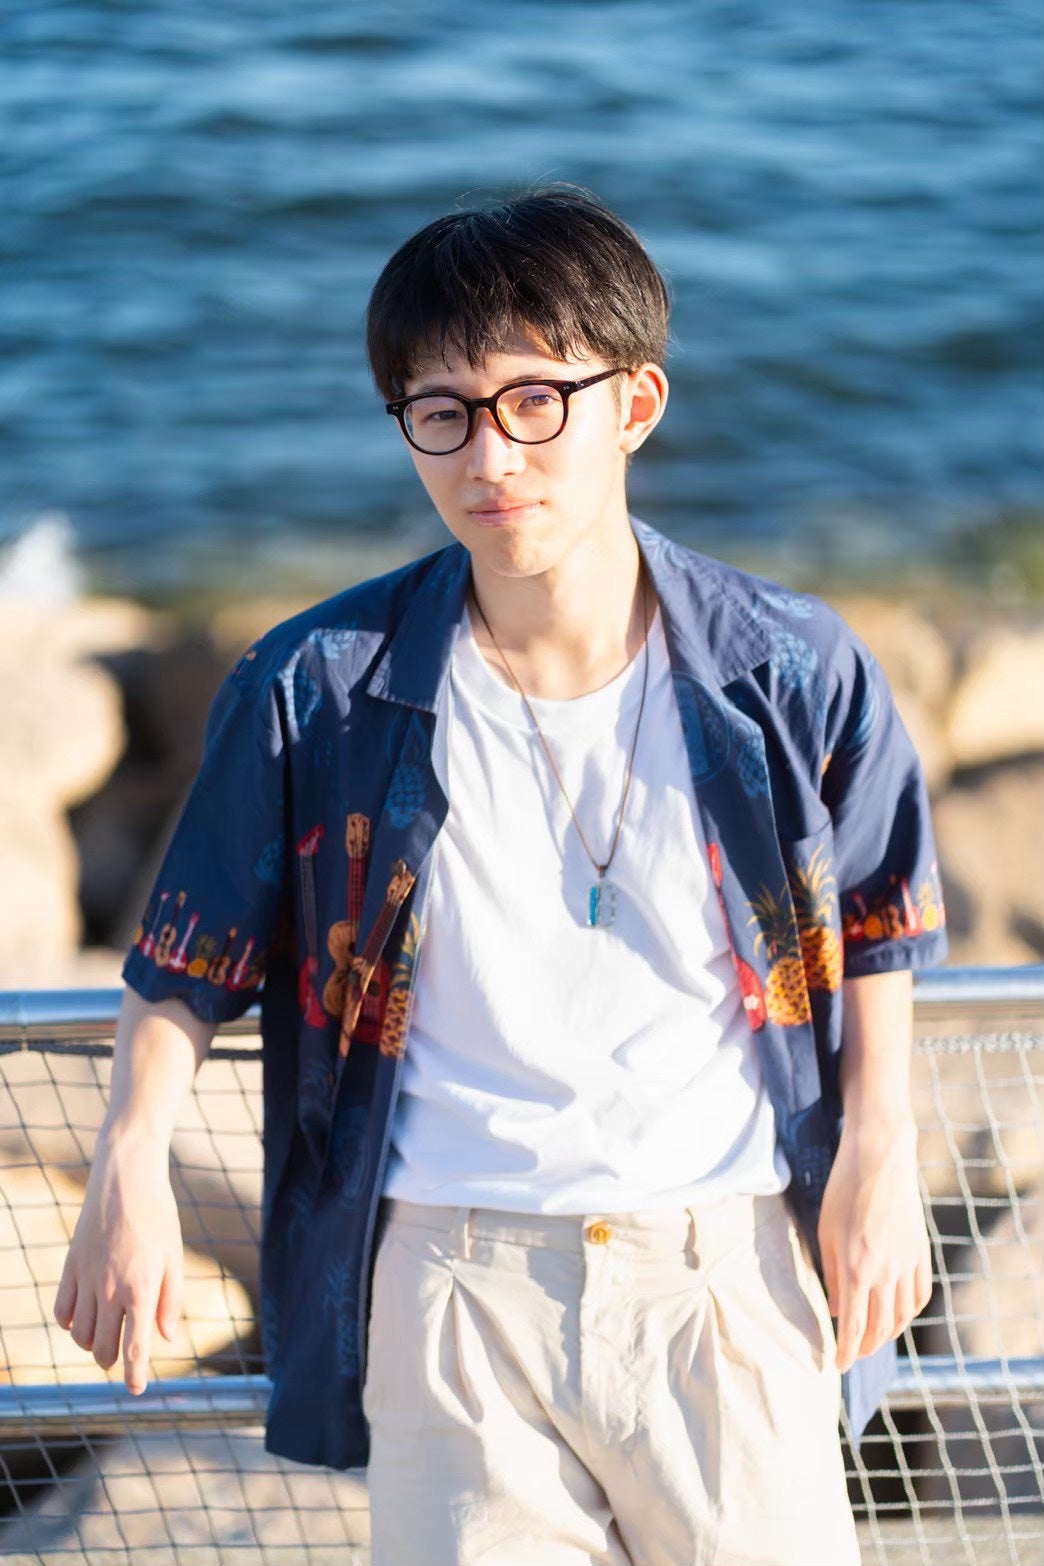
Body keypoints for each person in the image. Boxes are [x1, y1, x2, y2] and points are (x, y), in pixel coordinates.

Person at [54, 184, 948, 1566]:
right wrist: (130, 1161)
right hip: (454, 1288)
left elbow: (882, 910)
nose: (491, 454)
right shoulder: (317, 688)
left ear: (635, 403)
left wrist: (880, 1151)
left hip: (723, 1270)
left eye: (536, 400)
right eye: (444, 411)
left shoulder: (785, 666)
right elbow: (189, 953)